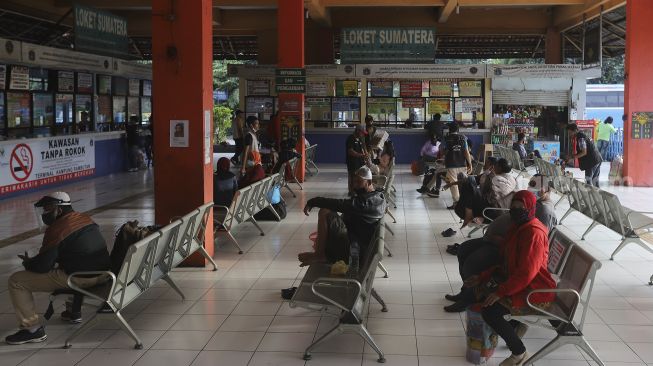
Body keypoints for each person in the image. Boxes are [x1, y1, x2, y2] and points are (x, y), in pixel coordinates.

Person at [6, 192, 111, 345]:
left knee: (16, 280)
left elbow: (42, 267)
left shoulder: (59, 228)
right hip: (102, 274)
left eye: (48, 209)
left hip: (81, 278)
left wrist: (28, 263)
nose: (44, 213)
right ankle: (73, 312)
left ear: (59, 210)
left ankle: (31, 330)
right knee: (66, 261)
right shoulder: (84, 219)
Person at [474, 191, 556, 365]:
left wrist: (501, 291)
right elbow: (507, 263)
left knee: (491, 310)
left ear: (531, 209)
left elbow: (527, 272)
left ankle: (519, 353)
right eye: (513, 207)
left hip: (536, 290)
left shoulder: (533, 233)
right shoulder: (518, 227)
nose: (516, 210)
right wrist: (483, 276)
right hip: (522, 284)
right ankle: (513, 327)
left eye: (521, 207)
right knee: (479, 292)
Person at [297, 166, 386, 267]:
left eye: (359, 182)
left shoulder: (365, 203)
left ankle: (320, 255)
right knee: (330, 215)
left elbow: (340, 204)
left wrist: (314, 201)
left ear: (369, 182)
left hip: (354, 251)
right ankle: (320, 253)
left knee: (325, 211)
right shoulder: (377, 197)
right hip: (357, 242)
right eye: (354, 182)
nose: (355, 186)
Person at [421, 123, 472, 208]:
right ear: (457, 130)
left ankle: (456, 203)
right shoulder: (463, 138)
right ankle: (465, 201)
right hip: (462, 164)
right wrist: (470, 164)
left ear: (449, 130)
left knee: (453, 184)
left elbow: (442, 150)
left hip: (451, 164)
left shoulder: (446, 139)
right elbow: (466, 152)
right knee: (463, 183)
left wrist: (446, 155)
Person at [566, 123, 603, 187]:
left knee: (588, 181)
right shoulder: (583, 134)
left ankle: (591, 195)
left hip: (592, 162)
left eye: (570, 133)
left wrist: (572, 157)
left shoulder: (580, 138)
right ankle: (597, 195)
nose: (569, 135)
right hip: (597, 159)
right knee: (595, 181)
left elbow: (584, 152)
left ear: (575, 130)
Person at [346, 124, 369, 195]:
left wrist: (365, 154)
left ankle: (356, 190)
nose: (362, 134)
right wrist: (361, 155)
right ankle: (351, 192)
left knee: (357, 177)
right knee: (352, 177)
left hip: (358, 161)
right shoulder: (351, 138)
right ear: (358, 131)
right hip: (352, 161)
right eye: (362, 132)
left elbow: (362, 147)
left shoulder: (359, 138)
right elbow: (350, 151)